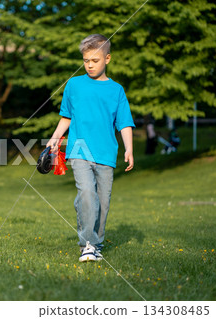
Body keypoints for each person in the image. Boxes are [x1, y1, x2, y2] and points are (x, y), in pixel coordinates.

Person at [46, 34, 135, 262]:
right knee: (87, 193)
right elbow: (66, 116)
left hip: (106, 153)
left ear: (107, 58)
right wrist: (56, 137)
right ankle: (88, 243)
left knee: (102, 203)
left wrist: (129, 148)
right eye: (86, 60)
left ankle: (97, 241)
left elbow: (124, 122)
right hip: (79, 150)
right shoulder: (74, 85)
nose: (90, 65)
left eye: (95, 60)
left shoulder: (116, 90)